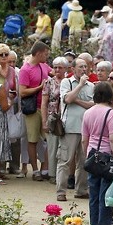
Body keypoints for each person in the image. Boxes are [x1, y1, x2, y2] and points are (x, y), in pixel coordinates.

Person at [82, 81, 113, 225]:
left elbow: (84, 139)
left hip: (92, 154)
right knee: (107, 196)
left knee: (94, 195)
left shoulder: (88, 112)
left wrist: (87, 156)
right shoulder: (111, 113)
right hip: (106, 156)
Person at [58, 57, 94, 202]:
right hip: (70, 128)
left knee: (84, 161)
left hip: (86, 129)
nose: (84, 69)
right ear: (73, 69)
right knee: (65, 160)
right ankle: (61, 191)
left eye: (85, 67)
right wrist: (79, 85)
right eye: (80, 67)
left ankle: (81, 189)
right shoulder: (66, 82)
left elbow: (92, 105)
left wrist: (77, 100)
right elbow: (67, 99)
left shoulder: (91, 86)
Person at [19, 41, 52, 180]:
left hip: (45, 107)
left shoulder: (44, 66)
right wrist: (40, 88)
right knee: (32, 140)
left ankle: (45, 168)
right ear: (38, 53)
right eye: (45, 54)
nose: (47, 56)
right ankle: (35, 170)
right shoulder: (25, 70)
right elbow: (22, 91)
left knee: (49, 139)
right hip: (32, 109)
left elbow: (54, 72)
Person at [41, 56, 68, 185]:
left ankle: (64, 175)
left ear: (66, 69)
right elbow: (44, 103)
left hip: (66, 117)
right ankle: (52, 174)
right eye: (55, 67)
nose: (57, 70)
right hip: (52, 117)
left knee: (64, 147)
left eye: (60, 67)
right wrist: (44, 121)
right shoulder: (48, 82)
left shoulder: (69, 82)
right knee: (52, 146)